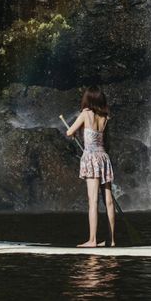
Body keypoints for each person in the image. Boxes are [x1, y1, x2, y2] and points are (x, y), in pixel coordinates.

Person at [66, 86, 116, 247]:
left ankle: (92, 240)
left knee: (93, 201)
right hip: (103, 158)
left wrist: (73, 133)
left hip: (91, 158)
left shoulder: (85, 114)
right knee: (108, 201)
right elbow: (106, 141)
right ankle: (111, 240)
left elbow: (69, 132)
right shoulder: (105, 117)